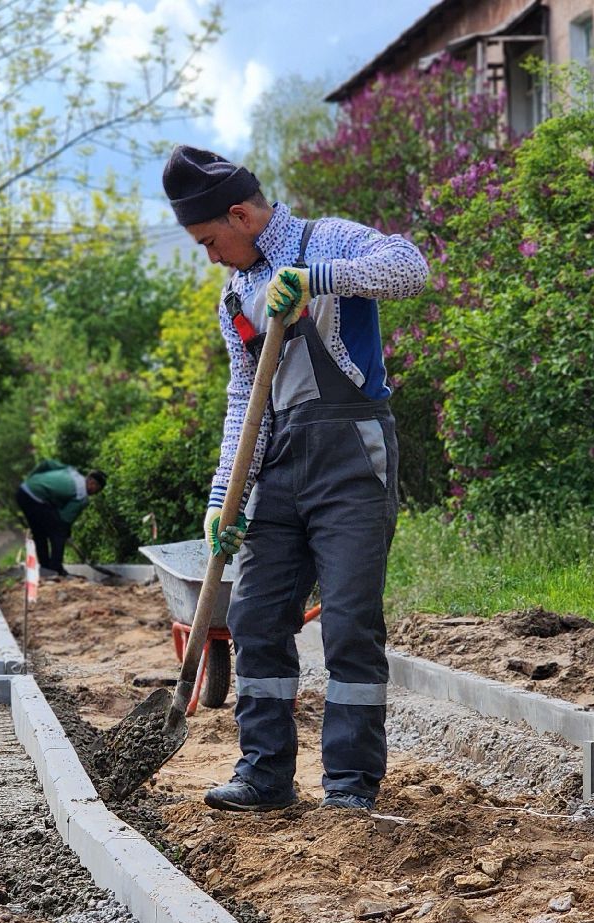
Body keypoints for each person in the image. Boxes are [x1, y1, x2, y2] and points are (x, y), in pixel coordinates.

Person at [162, 145, 427, 813]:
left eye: (209, 240)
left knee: (348, 625)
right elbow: (242, 403)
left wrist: (317, 279)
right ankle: (264, 775)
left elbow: (410, 269)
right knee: (254, 619)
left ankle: (348, 787)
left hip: (352, 461)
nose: (211, 256)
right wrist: (223, 500)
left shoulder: (325, 238)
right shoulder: (236, 297)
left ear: (242, 214)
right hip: (278, 467)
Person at [15, 460, 104, 578]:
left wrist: (30, 480)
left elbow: (46, 464)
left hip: (23, 491)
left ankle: (46, 570)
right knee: (58, 533)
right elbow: (64, 519)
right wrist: (65, 531)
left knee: (40, 533)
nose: (94, 493)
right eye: (97, 490)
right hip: (37, 498)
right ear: (92, 483)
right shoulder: (82, 496)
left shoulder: (70, 471)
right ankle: (55, 569)